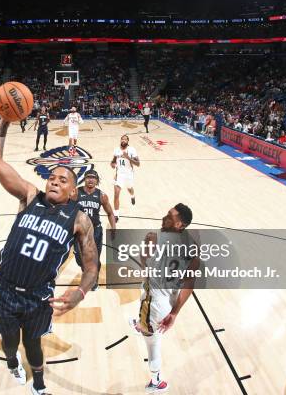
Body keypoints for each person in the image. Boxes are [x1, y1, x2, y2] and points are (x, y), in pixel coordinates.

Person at [0, 119, 99, 395]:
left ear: (73, 191)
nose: (55, 181)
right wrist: (4, 120)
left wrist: (81, 293)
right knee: (10, 341)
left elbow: (92, 267)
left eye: (63, 180)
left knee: (34, 344)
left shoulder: (79, 220)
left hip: (38, 297)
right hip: (5, 289)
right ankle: (13, 362)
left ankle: (38, 383)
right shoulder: (29, 196)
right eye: (52, 177)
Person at [132, 204, 200, 394]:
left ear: (180, 224)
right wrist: (175, 312)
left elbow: (144, 261)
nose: (164, 217)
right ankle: (143, 324)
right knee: (150, 327)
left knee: (152, 343)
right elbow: (189, 283)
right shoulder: (193, 247)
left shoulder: (154, 237)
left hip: (153, 302)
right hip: (168, 299)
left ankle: (157, 382)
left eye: (170, 216)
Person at [72, 169, 116, 289]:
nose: (90, 180)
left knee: (94, 258)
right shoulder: (76, 193)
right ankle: (87, 271)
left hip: (95, 230)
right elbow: (66, 208)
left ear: (97, 181)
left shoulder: (102, 196)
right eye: (88, 177)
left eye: (93, 178)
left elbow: (110, 213)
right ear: (85, 179)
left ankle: (93, 279)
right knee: (80, 260)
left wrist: (113, 228)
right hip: (80, 231)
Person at [111, 134, 140, 222]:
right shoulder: (116, 150)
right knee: (116, 194)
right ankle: (116, 215)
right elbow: (113, 161)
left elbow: (138, 164)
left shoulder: (131, 150)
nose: (123, 140)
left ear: (128, 141)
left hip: (128, 175)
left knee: (129, 188)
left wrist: (128, 158)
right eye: (122, 139)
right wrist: (112, 164)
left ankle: (132, 196)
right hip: (119, 175)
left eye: (125, 139)